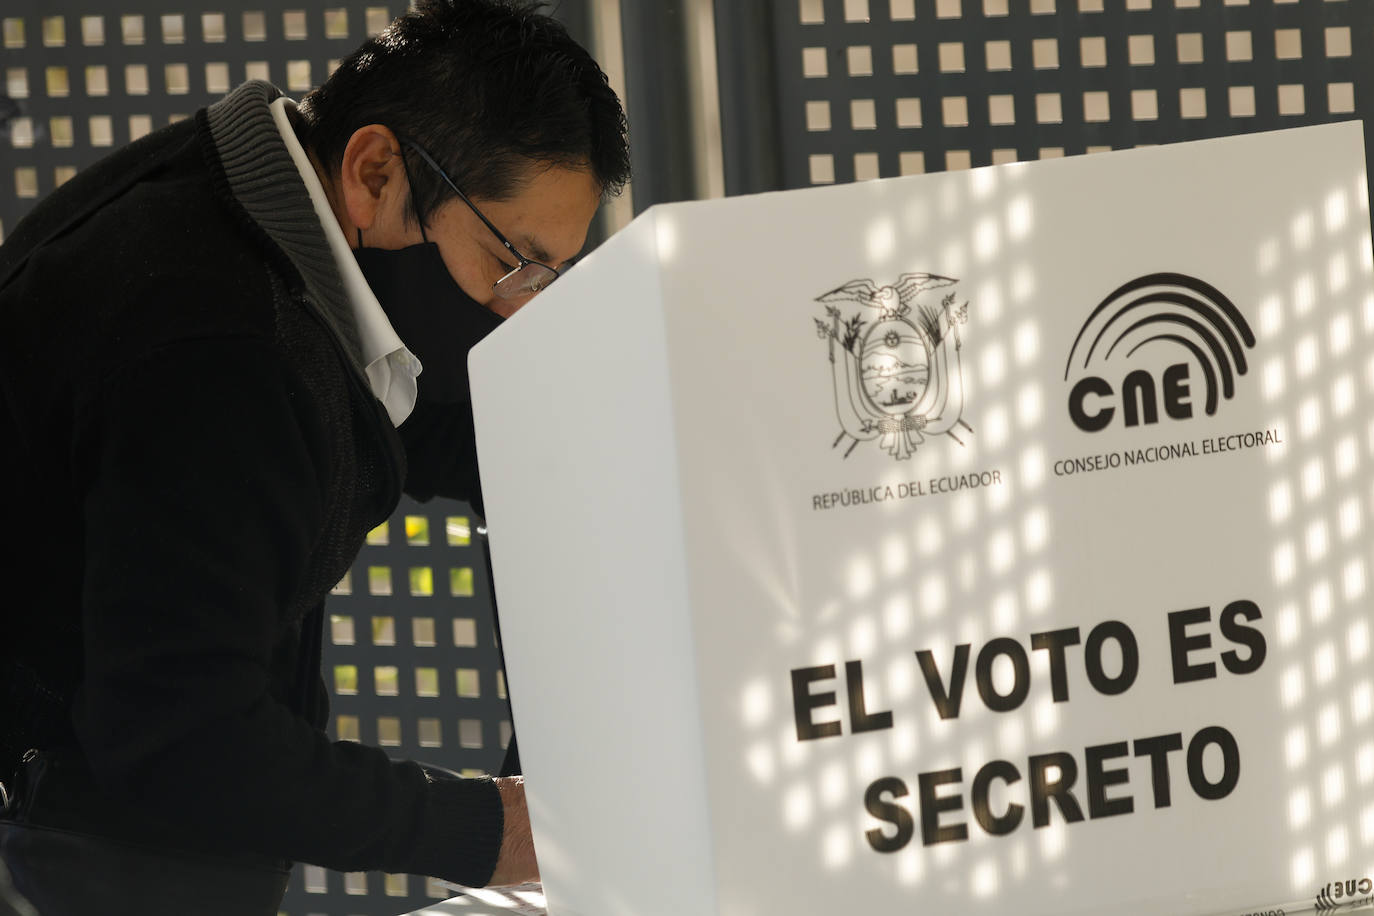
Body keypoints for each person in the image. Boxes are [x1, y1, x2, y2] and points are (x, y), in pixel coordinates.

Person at [0, 0, 630, 911]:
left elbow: (376, 428)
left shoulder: (255, 205)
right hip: (78, 841)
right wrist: (486, 830)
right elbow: (181, 737)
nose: (519, 308)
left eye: (548, 278)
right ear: (376, 171)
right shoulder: (219, 343)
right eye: (511, 262)